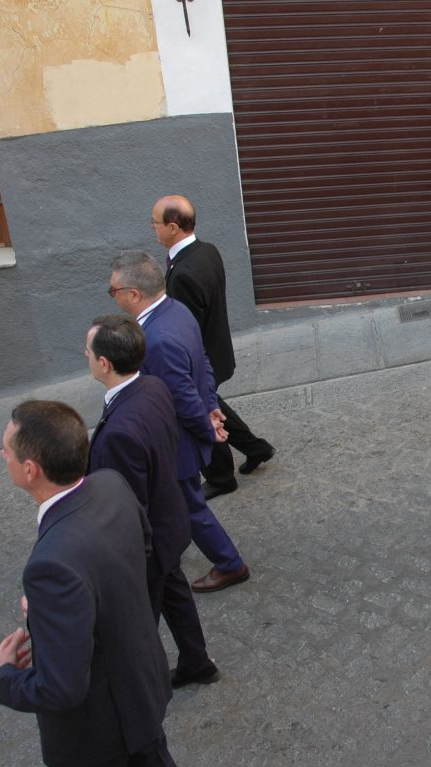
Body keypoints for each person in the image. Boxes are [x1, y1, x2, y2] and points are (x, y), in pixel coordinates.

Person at [0, 400, 178, 767]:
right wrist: (68, 605)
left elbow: (61, 689)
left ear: (31, 470)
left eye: (6, 450)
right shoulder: (112, 485)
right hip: (142, 694)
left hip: (99, 742)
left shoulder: (51, 566)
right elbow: (140, 555)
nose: (2, 455)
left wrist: (4, 677)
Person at [86, 314, 220, 687]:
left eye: (88, 350)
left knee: (137, 625)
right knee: (176, 595)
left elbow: (128, 505)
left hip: (147, 546)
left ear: (105, 363)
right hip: (170, 523)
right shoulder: (153, 387)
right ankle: (197, 662)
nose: (85, 354)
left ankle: (144, 692)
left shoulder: (119, 433)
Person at [109, 250, 252, 593]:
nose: (112, 297)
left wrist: (208, 425)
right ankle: (169, 545)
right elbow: (201, 362)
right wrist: (212, 407)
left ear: (133, 294)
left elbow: (181, 395)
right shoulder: (178, 311)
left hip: (176, 443)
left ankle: (229, 564)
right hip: (184, 432)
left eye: (113, 291)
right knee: (171, 501)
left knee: (190, 506)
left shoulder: (154, 340)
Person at [155, 195, 276, 500]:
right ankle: (257, 448)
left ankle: (221, 477)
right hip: (217, 350)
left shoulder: (182, 274)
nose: (152, 229)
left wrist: (185, 369)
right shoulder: (207, 251)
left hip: (201, 361)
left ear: (172, 227)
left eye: (155, 223)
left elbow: (184, 329)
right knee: (214, 406)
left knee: (202, 413)